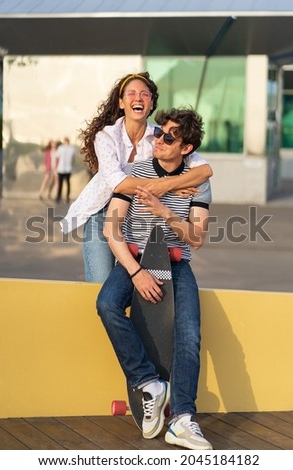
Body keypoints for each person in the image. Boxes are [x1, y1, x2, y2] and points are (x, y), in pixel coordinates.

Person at [96, 107, 213, 450]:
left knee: (188, 334)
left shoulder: (197, 182)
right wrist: (136, 273)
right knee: (106, 304)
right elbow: (110, 229)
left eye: (169, 137)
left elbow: (196, 237)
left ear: (186, 148)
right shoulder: (136, 174)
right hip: (134, 261)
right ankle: (148, 383)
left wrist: (164, 211)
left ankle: (182, 420)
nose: (159, 140)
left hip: (177, 266)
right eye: (158, 133)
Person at [60, 72, 213, 284]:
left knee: (137, 287)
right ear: (121, 103)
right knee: (102, 284)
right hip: (102, 214)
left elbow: (204, 171)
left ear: (151, 105)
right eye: (131, 93)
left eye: (145, 94)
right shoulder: (105, 136)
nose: (138, 98)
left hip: (137, 217)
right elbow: (120, 183)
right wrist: (165, 186)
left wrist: (168, 184)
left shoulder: (161, 137)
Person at [55, 137, 75, 203]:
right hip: (63, 168)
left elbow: (57, 156)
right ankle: (60, 196)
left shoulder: (69, 149)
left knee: (66, 183)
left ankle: (65, 197)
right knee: (62, 183)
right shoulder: (64, 148)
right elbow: (57, 156)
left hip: (66, 168)